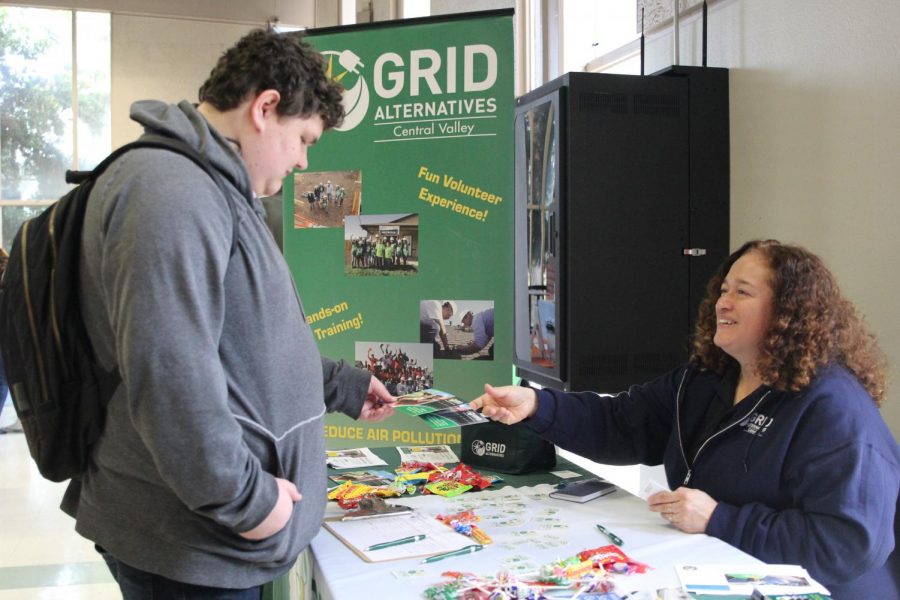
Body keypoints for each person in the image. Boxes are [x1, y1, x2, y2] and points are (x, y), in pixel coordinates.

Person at [65, 29, 396, 599]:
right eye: (303, 139)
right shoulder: (170, 191)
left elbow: (243, 346)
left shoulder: (214, 188)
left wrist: (341, 384)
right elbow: (168, 375)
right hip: (189, 550)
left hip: (211, 542)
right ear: (265, 108)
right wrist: (248, 503)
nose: (303, 159)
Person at [471, 240, 898, 599]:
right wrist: (537, 405)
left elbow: (847, 544)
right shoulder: (705, 379)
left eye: (743, 293)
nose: (722, 302)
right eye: (723, 289)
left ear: (790, 312)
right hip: (716, 574)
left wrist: (720, 520)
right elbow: (621, 423)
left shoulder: (835, 408)